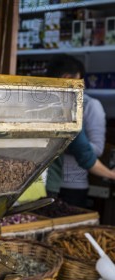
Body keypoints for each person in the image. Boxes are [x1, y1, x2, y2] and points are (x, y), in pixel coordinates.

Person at [45, 54, 114, 206]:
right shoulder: (64, 108)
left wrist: (62, 145)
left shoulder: (31, 100)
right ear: (67, 77)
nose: (79, 88)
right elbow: (84, 152)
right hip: (47, 186)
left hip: (61, 184)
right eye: (78, 81)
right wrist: (110, 174)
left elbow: (94, 149)